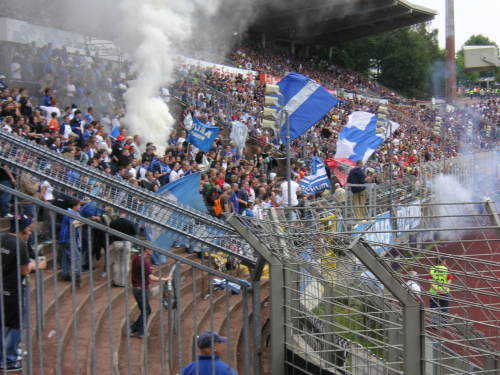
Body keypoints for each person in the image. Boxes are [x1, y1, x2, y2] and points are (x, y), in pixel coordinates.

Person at [0, 216, 46, 372]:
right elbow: (24, 270)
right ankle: (9, 359)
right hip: (13, 289)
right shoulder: (19, 244)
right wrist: (37, 265)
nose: (30, 233)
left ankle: (4, 355)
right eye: (29, 230)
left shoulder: (2, 238)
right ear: (23, 230)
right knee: (15, 324)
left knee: (3, 322)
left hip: (3, 286)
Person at [130, 248, 169, 338]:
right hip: (141, 290)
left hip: (136, 289)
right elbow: (152, 278)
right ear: (146, 250)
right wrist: (164, 279)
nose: (152, 251)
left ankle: (134, 327)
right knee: (146, 310)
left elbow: (141, 269)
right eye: (150, 249)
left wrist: (148, 269)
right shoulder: (144, 262)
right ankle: (141, 332)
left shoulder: (136, 258)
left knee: (146, 310)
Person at [58, 198, 83, 284]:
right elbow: (74, 224)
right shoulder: (70, 212)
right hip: (68, 237)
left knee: (66, 256)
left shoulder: (74, 212)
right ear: (74, 206)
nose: (80, 206)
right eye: (79, 205)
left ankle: (65, 274)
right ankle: (76, 275)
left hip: (67, 237)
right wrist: (85, 221)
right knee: (76, 256)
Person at [108, 215, 137, 287]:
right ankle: (123, 282)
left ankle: (116, 282)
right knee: (125, 263)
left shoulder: (113, 222)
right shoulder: (129, 222)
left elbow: (110, 232)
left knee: (117, 263)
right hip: (126, 243)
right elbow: (134, 232)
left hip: (116, 243)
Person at [428, 258, 453, 325]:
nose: (445, 263)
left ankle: (434, 323)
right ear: (441, 262)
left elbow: (430, 281)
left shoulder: (432, 269)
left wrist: (436, 289)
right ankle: (444, 322)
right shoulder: (446, 269)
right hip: (445, 292)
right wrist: (444, 289)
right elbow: (449, 280)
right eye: (445, 261)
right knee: (444, 307)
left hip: (434, 292)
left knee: (434, 308)